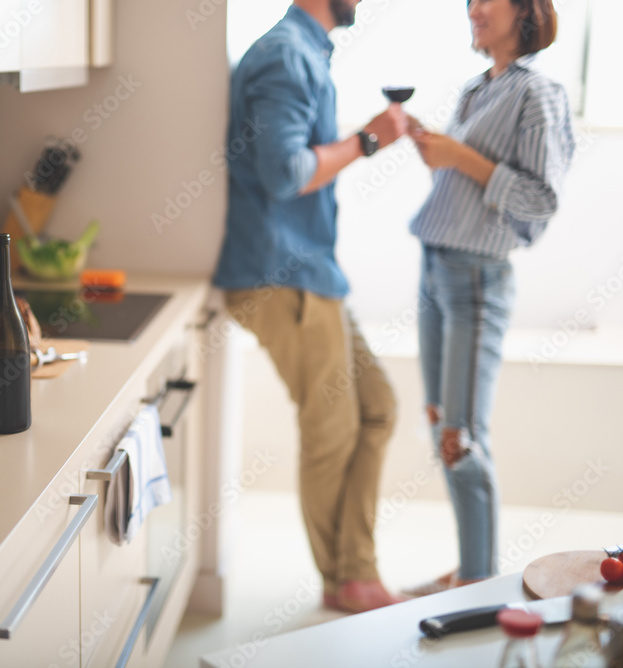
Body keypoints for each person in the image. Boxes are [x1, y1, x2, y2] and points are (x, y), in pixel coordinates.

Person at [212, 0, 408, 613]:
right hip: (281, 275)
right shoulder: (286, 55)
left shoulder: (302, 51)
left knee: (376, 407)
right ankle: (349, 578)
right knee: (331, 431)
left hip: (309, 271)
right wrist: (369, 140)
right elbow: (285, 173)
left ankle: (352, 568)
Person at [405, 0, 575, 595]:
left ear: (525, 11)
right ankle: (471, 568)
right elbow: (471, 185)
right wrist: (440, 159)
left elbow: (539, 199)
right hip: (436, 268)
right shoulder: (479, 88)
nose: (474, 8)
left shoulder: (539, 94)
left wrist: (460, 158)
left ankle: (477, 582)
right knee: (440, 426)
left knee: (462, 437)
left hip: (476, 278)